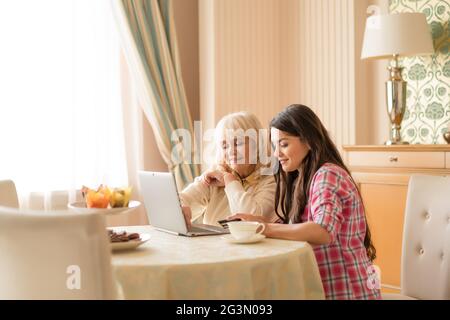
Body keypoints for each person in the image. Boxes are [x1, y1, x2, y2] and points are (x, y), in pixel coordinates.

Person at [229, 104, 381, 300]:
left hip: (347, 292)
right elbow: (306, 226)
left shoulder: (328, 174)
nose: (276, 154)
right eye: (275, 146)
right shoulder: (307, 178)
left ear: (308, 141)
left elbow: (322, 231)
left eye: (283, 144)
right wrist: (256, 221)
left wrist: (263, 228)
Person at [180, 112, 277, 227]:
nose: (231, 152)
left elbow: (249, 221)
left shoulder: (271, 180)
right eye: (225, 146)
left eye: (238, 143)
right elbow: (185, 199)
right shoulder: (217, 172)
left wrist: (230, 181)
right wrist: (181, 206)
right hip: (213, 244)